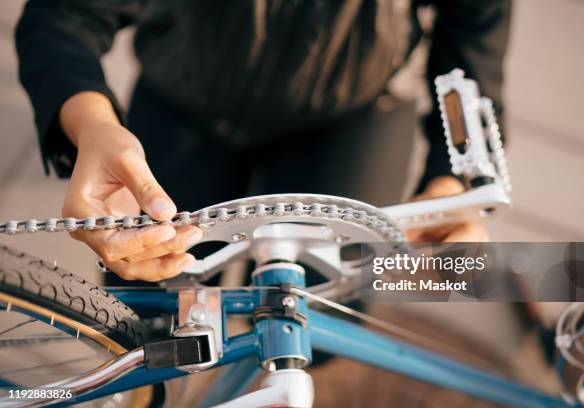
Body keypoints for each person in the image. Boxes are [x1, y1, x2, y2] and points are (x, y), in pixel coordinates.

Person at [15, 0, 510, 283]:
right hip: (185, 93)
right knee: (153, 291)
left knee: (326, 305)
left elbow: (471, 49)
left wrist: (451, 185)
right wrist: (92, 126)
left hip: (350, 110)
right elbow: (64, 14)